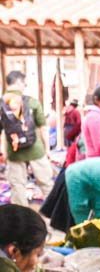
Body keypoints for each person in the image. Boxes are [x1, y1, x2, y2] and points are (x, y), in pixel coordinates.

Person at [0, 71, 53, 206]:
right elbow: (43, 127)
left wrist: (4, 152)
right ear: (18, 82)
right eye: (24, 83)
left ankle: (21, 220)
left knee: (17, 187)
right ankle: (53, 216)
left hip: (14, 150)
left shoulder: (1, 103)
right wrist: (47, 149)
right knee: (46, 183)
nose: (24, 86)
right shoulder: (31, 102)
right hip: (35, 148)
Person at [63, 99, 82, 166]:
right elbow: (79, 122)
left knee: (69, 147)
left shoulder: (68, 111)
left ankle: (68, 160)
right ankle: (70, 161)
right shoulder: (75, 112)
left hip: (68, 129)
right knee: (72, 147)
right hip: (71, 129)